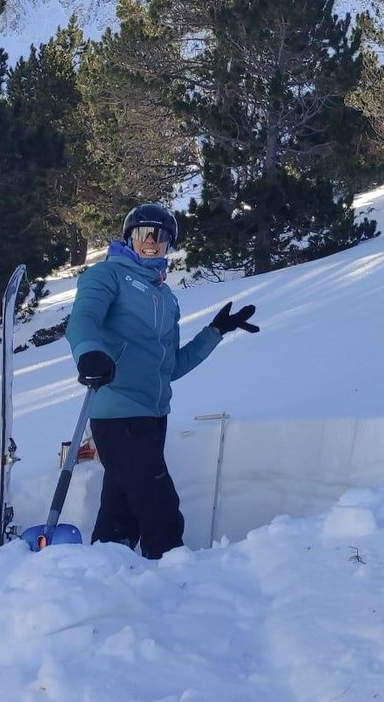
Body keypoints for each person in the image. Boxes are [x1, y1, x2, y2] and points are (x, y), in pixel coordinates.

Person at [65, 203, 259, 559]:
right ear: (130, 238)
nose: (152, 242)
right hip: (117, 411)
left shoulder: (166, 298)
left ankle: (106, 567)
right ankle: (173, 568)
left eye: (162, 236)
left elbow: (170, 367)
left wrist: (215, 332)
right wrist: (89, 352)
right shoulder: (107, 276)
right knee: (157, 499)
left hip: (154, 416)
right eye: (144, 234)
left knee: (122, 503)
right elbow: (82, 321)